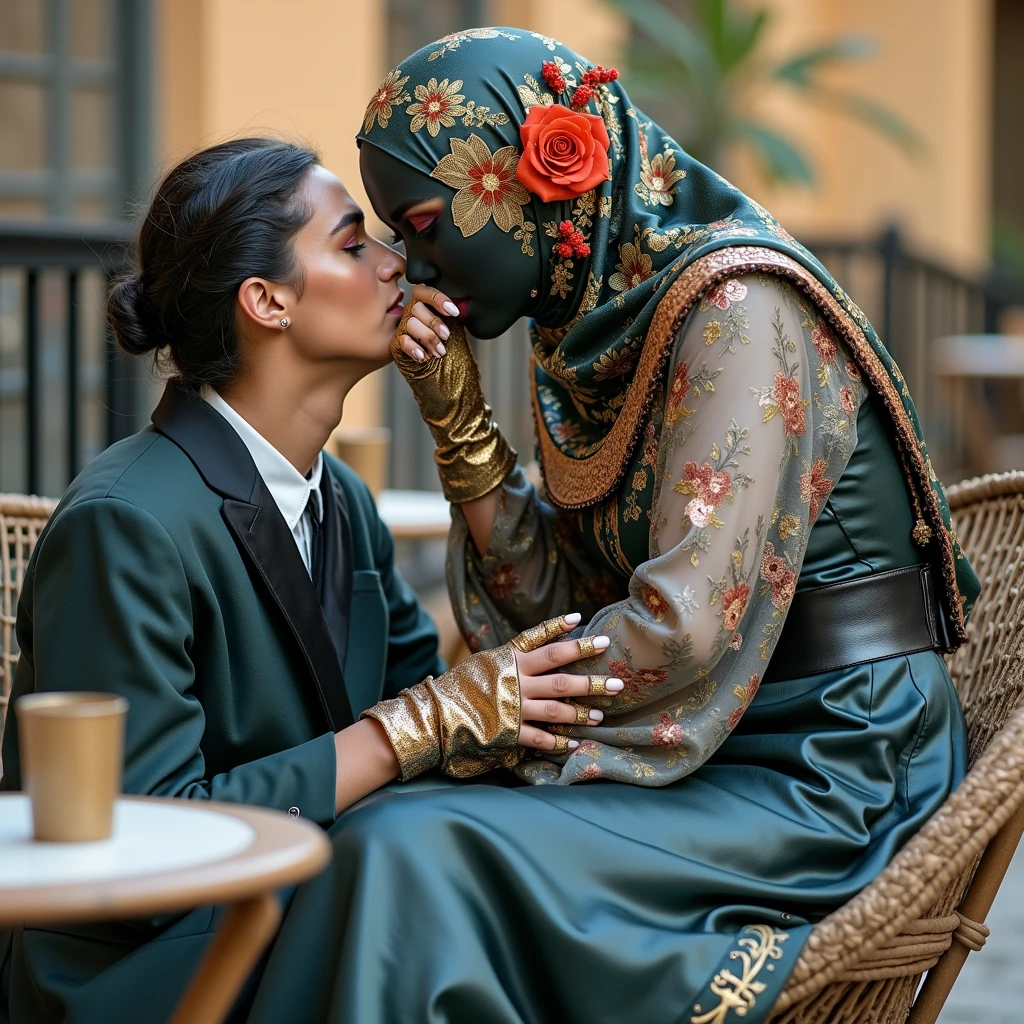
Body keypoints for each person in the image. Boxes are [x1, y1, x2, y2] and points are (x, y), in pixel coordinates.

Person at [346, 27, 982, 1023]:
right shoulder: (595, 325)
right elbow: (556, 611)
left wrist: (469, 720)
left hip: (828, 762)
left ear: (534, 179)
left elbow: (683, 625)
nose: (411, 266)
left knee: (405, 846)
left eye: (425, 223)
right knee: (390, 828)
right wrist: (457, 419)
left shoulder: (738, 310)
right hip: (699, 727)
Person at [0, 137, 610, 1024]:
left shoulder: (344, 503)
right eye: (355, 245)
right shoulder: (125, 523)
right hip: (150, 972)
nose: (399, 263)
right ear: (268, 301)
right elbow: (141, 845)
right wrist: (418, 726)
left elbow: (429, 713)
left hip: (319, 900)